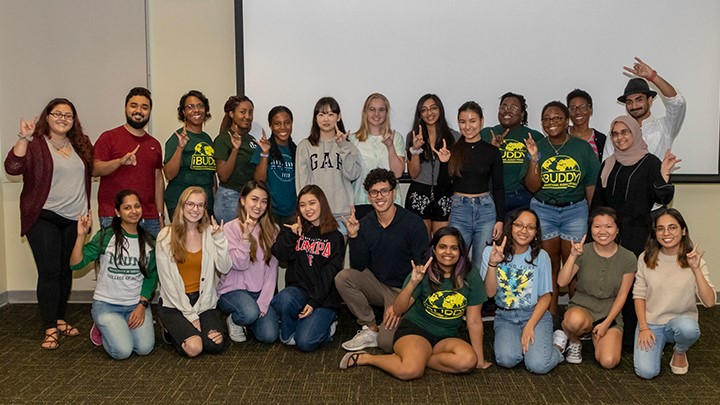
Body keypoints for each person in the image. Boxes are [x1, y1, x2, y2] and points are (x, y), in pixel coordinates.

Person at [339, 227, 490, 380]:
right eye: (442, 247)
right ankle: (367, 358)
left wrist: (480, 360)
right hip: (416, 331)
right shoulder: (423, 272)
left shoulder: (470, 275)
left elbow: (474, 320)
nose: (448, 252)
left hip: (447, 336)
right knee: (410, 371)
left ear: (461, 252)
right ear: (434, 250)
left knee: (468, 361)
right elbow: (398, 309)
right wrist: (412, 283)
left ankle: (421, 358)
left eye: (454, 248)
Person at [4, 98, 94, 350]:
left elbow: (91, 173)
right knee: (50, 271)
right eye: (58, 113)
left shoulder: (81, 143)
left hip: (73, 219)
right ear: (48, 116)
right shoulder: (35, 144)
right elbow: (12, 168)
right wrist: (23, 137)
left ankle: (60, 318)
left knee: (66, 270)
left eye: (68, 115)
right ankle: (50, 327)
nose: (63, 118)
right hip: (43, 215)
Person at [337, 168, 428, 352]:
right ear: (369, 196)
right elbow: (359, 265)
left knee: (386, 344)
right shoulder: (366, 223)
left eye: (384, 191)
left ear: (394, 192)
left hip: (403, 289)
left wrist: (401, 304)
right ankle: (370, 327)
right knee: (343, 278)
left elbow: (423, 270)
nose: (379, 196)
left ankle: (401, 321)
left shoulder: (413, 223)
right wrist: (354, 236)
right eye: (374, 192)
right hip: (377, 284)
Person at [525, 101, 600, 316]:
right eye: (547, 119)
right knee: (548, 269)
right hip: (543, 210)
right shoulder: (536, 145)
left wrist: (591, 217)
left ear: (566, 120)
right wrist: (533, 158)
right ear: (541, 123)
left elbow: (590, 185)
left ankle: (574, 319)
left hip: (574, 211)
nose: (552, 122)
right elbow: (532, 186)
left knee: (574, 267)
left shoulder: (582, 148)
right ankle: (549, 318)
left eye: (557, 117)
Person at [70, 190, 157, 359]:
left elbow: (151, 277)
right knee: (123, 352)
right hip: (107, 305)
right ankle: (102, 328)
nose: (133, 211)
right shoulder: (106, 236)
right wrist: (81, 236)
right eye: (127, 207)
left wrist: (141, 306)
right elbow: (76, 264)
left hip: (135, 305)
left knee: (144, 348)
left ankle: (117, 328)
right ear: (118, 212)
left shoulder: (148, 241)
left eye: (137, 206)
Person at [633, 209, 715, 379]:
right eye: (660, 229)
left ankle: (679, 351)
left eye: (672, 227)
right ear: (655, 233)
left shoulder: (694, 261)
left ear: (683, 231)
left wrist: (696, 269)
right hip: (652, 323)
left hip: (681, 321)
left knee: (689, 329)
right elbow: (639, 295)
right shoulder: (645, 258)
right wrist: (644, 328)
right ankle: (660, 346)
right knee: (646, 372)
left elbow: (709, 302)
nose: (666, 233)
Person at [481, 209, 563, 374]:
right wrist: (492, 265)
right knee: (507, 359)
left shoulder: (542, 256)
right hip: (505, 317)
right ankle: (529, 347)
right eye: (519, 225)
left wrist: (529, 326)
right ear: (510, 226)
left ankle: (558, 348)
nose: (524, 231)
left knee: (538, 365)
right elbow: (489, 293)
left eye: (530, 227)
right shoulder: (491, 252)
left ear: (536, 232)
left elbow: (546, 297)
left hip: (535, 315)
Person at [156, 187, 232, 357]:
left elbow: (225, 268)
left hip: (203, 302)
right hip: (174, 304)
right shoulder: (165, 236)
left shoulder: (210, 233)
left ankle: (190, 332)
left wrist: (220, 240)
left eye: (200, 205)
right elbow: (167, 285)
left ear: (205, 209)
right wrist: (191, 317)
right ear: (181, 206)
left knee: (215, 344)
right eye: (190, 204)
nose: (195, 209)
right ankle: (171, 330)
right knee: (195, 348)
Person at [556, 207, 635, 368]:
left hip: (609, 313)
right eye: (597, 226)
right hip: (582, 308)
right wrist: (572, 256)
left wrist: (606, 323)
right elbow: (561, 282)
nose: (602, 231)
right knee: (573, 321)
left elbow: (622, 296)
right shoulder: (583, 251)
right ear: (590, 229)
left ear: (617, 229)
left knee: (609, 362)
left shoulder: (628, 257)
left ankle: (595, 334)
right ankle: (574, 340)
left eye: (608, 226)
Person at [271, 185, 345, 352]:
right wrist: (292, 235)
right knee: (283, 300)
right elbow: (279, 253)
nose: (307, 209)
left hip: (323, 298)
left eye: (312, 203)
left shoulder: (335, 236)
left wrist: (314, 302)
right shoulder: (293, 229)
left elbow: (329, 274)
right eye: (302, 205)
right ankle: (294, 329)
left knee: (305, 342)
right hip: (298, 292)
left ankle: (328, 326)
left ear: (322, 204)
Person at [433, 101, 504, 270]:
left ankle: (483, 297)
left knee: (483, 262)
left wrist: (500, 219)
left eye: (472, 121)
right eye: (462, 122)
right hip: (460, 210)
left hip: (486, 210)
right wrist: (444, 163)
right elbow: (443, 188)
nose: (467, 126)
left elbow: (499, 187)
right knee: (457, 261)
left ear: (482, 121)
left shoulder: (492, 151)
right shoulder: (453, 150)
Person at [592, 116, 677, 256]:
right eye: (615, 134)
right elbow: (598, 202)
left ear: (635, 133)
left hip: (639, 235)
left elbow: (663, 199)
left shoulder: (651, 162)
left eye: (625, 132)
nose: (620, 137)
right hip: (610, 235)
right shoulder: (608, 164)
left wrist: (665, 174)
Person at [94, 87, 165, 237]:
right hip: (113, 216)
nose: (139, 111)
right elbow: (95, 169)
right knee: (115, 261)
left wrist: (160, 214)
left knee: (150, 261)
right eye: (134, 105)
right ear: (125, 108)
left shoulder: (155, 144)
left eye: (144, 107)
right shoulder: (108, 137)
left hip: (149, 218)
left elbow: (158, 179)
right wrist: (119, 162)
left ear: (149, 111)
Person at [217, 181, 279, 344]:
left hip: (257, 292)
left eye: (264, 201)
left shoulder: (273, 230)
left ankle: (248, 319)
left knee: (269, 336)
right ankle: (236, 319)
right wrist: (245, 238)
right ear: (243, 200)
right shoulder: (229, 229)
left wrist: (264, 302)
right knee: (250, 312)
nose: (259, 205)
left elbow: (272, 271)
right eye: (254, 199)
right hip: (233, 292)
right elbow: (238, 264)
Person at [295, 97, 362, 235]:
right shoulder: (305, 146)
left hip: (342, 215)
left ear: (338, 117)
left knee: (338, 256)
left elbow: (353, 175)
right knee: (315, 256)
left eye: (331, 114)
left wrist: (343, 147)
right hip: (314, 216)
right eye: (321, 114)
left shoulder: (348, 146)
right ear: (315, 118)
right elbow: (302, 184)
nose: (326, 119)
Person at [604, 57, 686, 160]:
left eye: (639, 100)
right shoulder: (617, 133)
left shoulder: (664, 127)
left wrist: (653, 76)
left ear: (650, 100)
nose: (634, 106)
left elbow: (678, 102)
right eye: (629, 102)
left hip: (658, 176)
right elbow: (607, 166)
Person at [405, 94, 460, 238]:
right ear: (420, 114)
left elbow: (455, 171)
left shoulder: (455, 137)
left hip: (444, 193)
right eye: (424, 110)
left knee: (442, 241)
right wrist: (415, 149)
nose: (429, 113)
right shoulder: (413, 137)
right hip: (419, 192)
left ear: (440, 110)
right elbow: (413, 174)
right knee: (422, 243)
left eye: (433, 108)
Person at [480, 92, 544, 213]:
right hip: (491, 199)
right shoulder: (486, 134)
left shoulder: (535, 137)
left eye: (513, 108)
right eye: (503, 107)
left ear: (522, 114)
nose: (507, 111)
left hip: (522, 198)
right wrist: (492, 150)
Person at [349, 93, 406, 219]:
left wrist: (390, 147)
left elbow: (398, 173)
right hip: (362, 202)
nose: (376, 114)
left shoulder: (396, 138)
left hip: (391, 203)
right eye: (372, 109)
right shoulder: (352, 139)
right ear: (365, 112)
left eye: (381, 110)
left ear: (386, 113)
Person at [163, 90, 216, 219]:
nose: (196, 110)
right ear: (183, 112)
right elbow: (169, 174)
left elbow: (211, 175)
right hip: (181, 202)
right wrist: (180, 148)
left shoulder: (207, 139)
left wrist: (213, 204)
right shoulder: (177, 138)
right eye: (190, 107)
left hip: (204, 204)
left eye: (200, 106)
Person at [214, 95, 260, 224]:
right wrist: (235, 149)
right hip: (229, 198)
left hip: (247, 197)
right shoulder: (222, 139)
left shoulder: (251, 140)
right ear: (231, 113)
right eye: (243, 112)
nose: (248, 116)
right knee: (232, 242)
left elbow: (257, 176)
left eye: (250, 112)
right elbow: (223, 176)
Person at [252, 106, 297, 225]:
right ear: (271, 126)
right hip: (269, 211)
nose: (283, 127)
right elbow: (259, 181)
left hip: (293, 212)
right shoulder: (263, 148)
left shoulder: (297, 150)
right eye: (277, 123)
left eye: (287, 123)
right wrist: (265, 154)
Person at [566, 89, 607, 162]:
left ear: (591, 110)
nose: (578, 112)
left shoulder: (601, 140)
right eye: (573, 108)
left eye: (582, 107)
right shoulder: (561, 135)